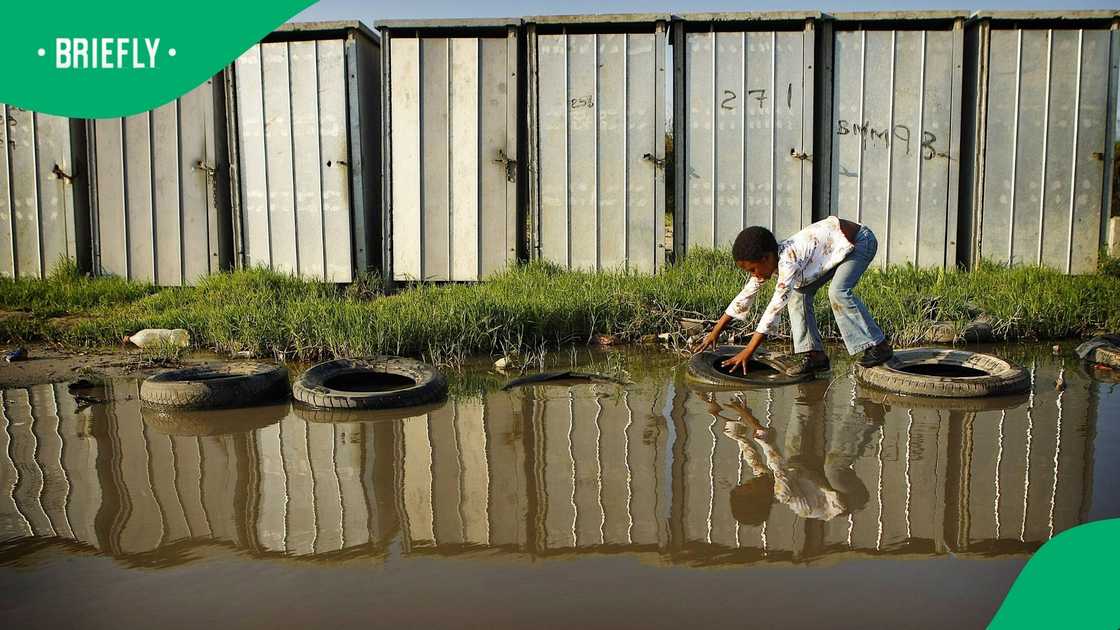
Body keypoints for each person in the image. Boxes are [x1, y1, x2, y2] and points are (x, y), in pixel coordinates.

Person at [693, 216, 893, 376]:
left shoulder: (788, 262)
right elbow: (745, 296)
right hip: (836, 250)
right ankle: (815, 356)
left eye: (753, 269)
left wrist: (748, 351)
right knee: (799, 294)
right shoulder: (773, 261)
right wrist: (715, 332)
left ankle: (878, 346)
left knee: (838, 292)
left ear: (766, 258)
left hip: (859, 242)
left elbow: (774, 308)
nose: (754, 275)